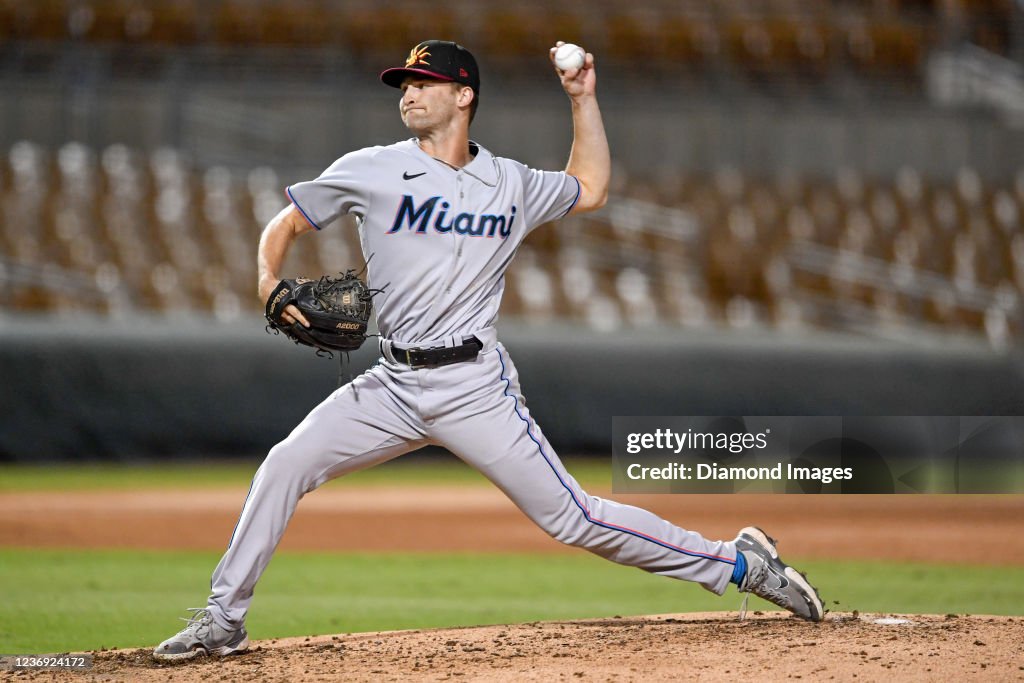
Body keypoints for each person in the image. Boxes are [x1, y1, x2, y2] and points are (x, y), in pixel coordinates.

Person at [153, 40, 824, 661]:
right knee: (285, 462)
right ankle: (224, 618)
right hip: (393, 382)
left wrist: (582, 97)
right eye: (405, 83)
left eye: (425, 82)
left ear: (464, 95)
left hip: (475, 386)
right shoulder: (373, 169)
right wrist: (268, 279)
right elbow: (287, 220)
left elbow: (589, 186)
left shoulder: (510, 183)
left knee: (574, 517)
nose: (409, 92)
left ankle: (740, 563)